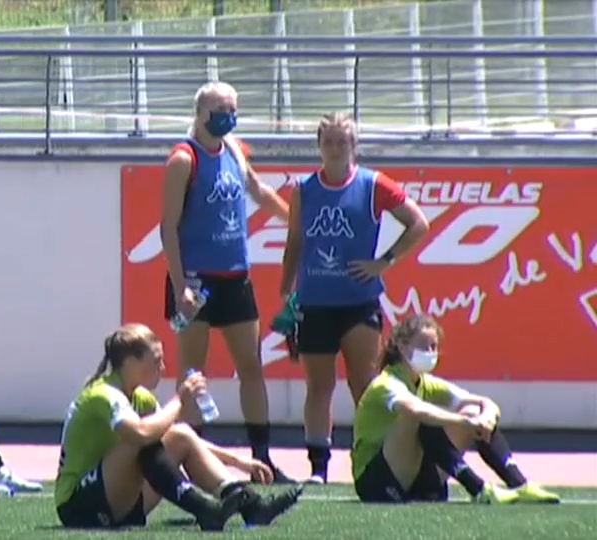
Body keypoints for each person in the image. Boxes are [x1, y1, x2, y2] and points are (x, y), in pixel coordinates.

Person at [278, 111, 430, 484]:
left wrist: (384, 261)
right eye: (327, 141)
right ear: (318, 145)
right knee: (319, 386)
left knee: (364, 384)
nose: (334, 148)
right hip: (314, 301)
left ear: (353, 145)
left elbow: (418, 223)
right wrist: (286, 293)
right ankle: (318, 467)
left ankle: (371, 459)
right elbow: (295, 241)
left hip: (359, 302)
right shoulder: (303, 189)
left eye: (341, 141)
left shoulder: (372, 184)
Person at [161, 80, 294, 483]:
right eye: (220, 109)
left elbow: (257, 189)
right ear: (200, 113)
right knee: (193, 374)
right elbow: (168, 227)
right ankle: (193, 460)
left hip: (236, 276)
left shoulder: (234, 148)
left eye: (232, 108)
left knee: (251, 367)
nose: (227, 116)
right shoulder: (184, 159)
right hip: (197, 281)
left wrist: (296, 223)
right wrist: (180, 282)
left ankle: (262, 458)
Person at [55, 323, 304, 531]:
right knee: (142, 437)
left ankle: (251, 506)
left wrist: (240, 462)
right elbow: (141, 434)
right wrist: (180, 400)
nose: (163, 369)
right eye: (156, 361)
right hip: (78, 507)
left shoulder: (139, 397)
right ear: (130, 362)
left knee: (179, 435)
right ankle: (204, 509)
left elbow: (179, 437)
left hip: (117, 501)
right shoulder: (104, 393)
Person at [351, 314, 561, 504]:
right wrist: (464, 422)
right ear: (402, 346)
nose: (431, 353)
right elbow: (415, 411)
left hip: (414, 478)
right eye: (424, 346)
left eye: (434, 346)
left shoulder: (427, 382)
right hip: (377, 482)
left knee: (471, 411)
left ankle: (520, 484)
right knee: (419, 415)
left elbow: (484, 403)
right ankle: (478, 488)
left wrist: (484, 417)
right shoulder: (386, 383)